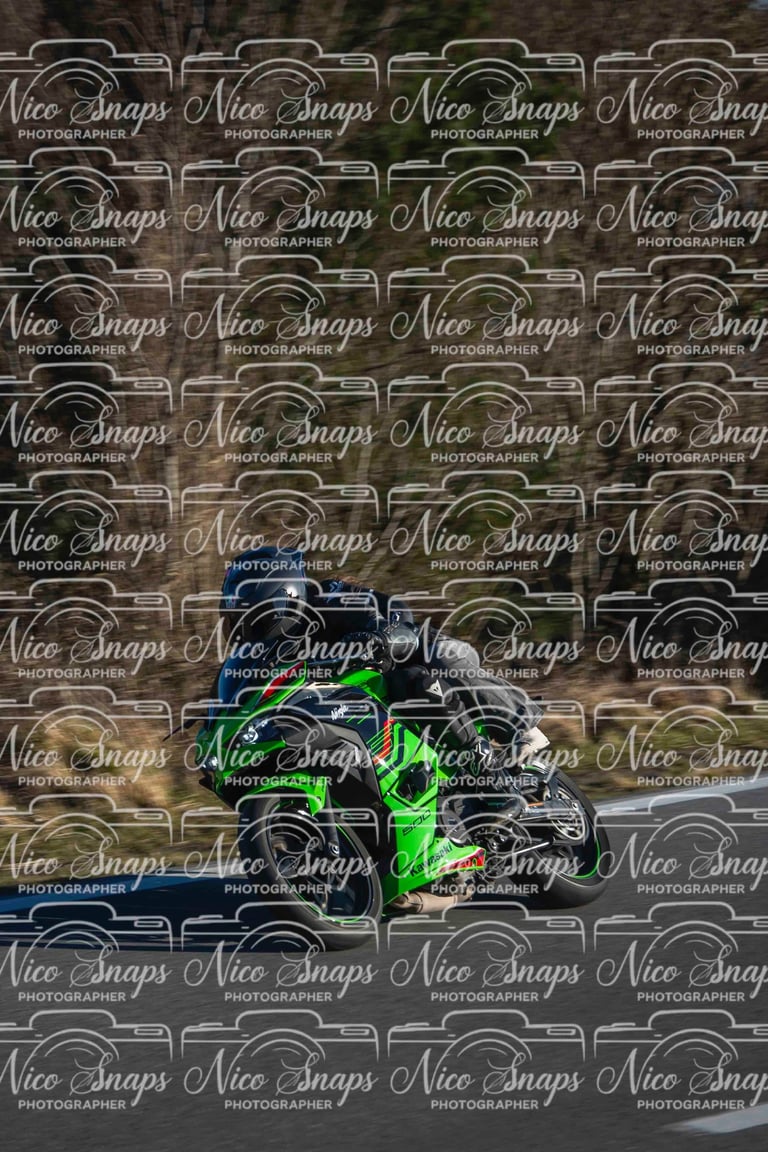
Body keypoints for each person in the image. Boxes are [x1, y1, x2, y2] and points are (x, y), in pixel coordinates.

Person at [209, 545, 544, 802]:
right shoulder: (262, 656)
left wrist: (379, 635)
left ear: (281, 596)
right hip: (350, 703)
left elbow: (395, 612)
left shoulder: (329, 597)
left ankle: (507, 739)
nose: (243, 624)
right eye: (237, 616)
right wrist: (211, 718)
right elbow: (240, 695)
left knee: (424, 669)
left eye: (250, 613)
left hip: (402, 656)